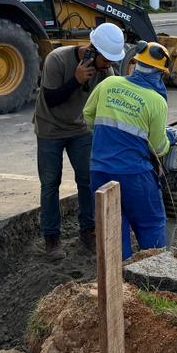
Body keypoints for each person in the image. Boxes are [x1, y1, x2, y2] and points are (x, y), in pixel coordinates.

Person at [33, 22, 124, 258]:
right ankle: (52, 238)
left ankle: (88, 232)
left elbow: (108, 105)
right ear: (93, 51)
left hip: (80, 129)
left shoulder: (106, 73)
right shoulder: (57, 60)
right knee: (50, 183)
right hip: (50, 128)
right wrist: (76, 80)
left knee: (87, 180)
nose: (109, 64)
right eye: (106, 59)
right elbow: (51, 100)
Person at [82, 41, 173, 259]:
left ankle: (120, 276)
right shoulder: (156, 101)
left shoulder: (109, 83)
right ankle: (155, 272)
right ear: (159, 73)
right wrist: (169, 139)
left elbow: (88, 115)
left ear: (135, 64)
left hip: (100, 171)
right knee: (150, 224)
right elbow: (158, 148)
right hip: (135, 175)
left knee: (113, 230)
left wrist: (109, 139)